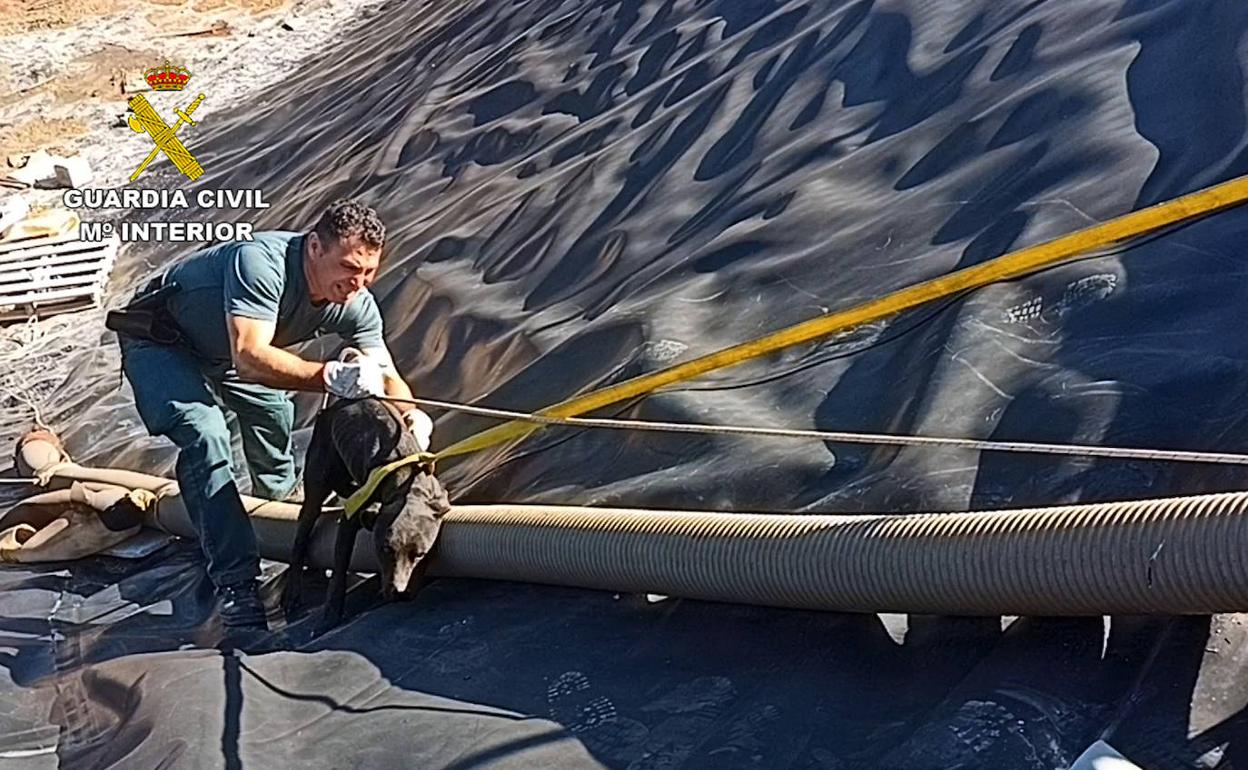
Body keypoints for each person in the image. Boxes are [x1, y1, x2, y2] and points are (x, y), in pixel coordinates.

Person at [116, 198, 434, 629]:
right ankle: (236, 582)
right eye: (348, 267)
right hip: (161, 342)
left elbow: (387, 374)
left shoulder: (355, 301)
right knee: (205, 433)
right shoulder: (261, 262)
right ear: (315, 247)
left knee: (274, 413)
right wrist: (329, 376)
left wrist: (410, 418)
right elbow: (249, 358)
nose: (357, 283)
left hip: (219, 353)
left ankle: (279, 522)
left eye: (368, 272)